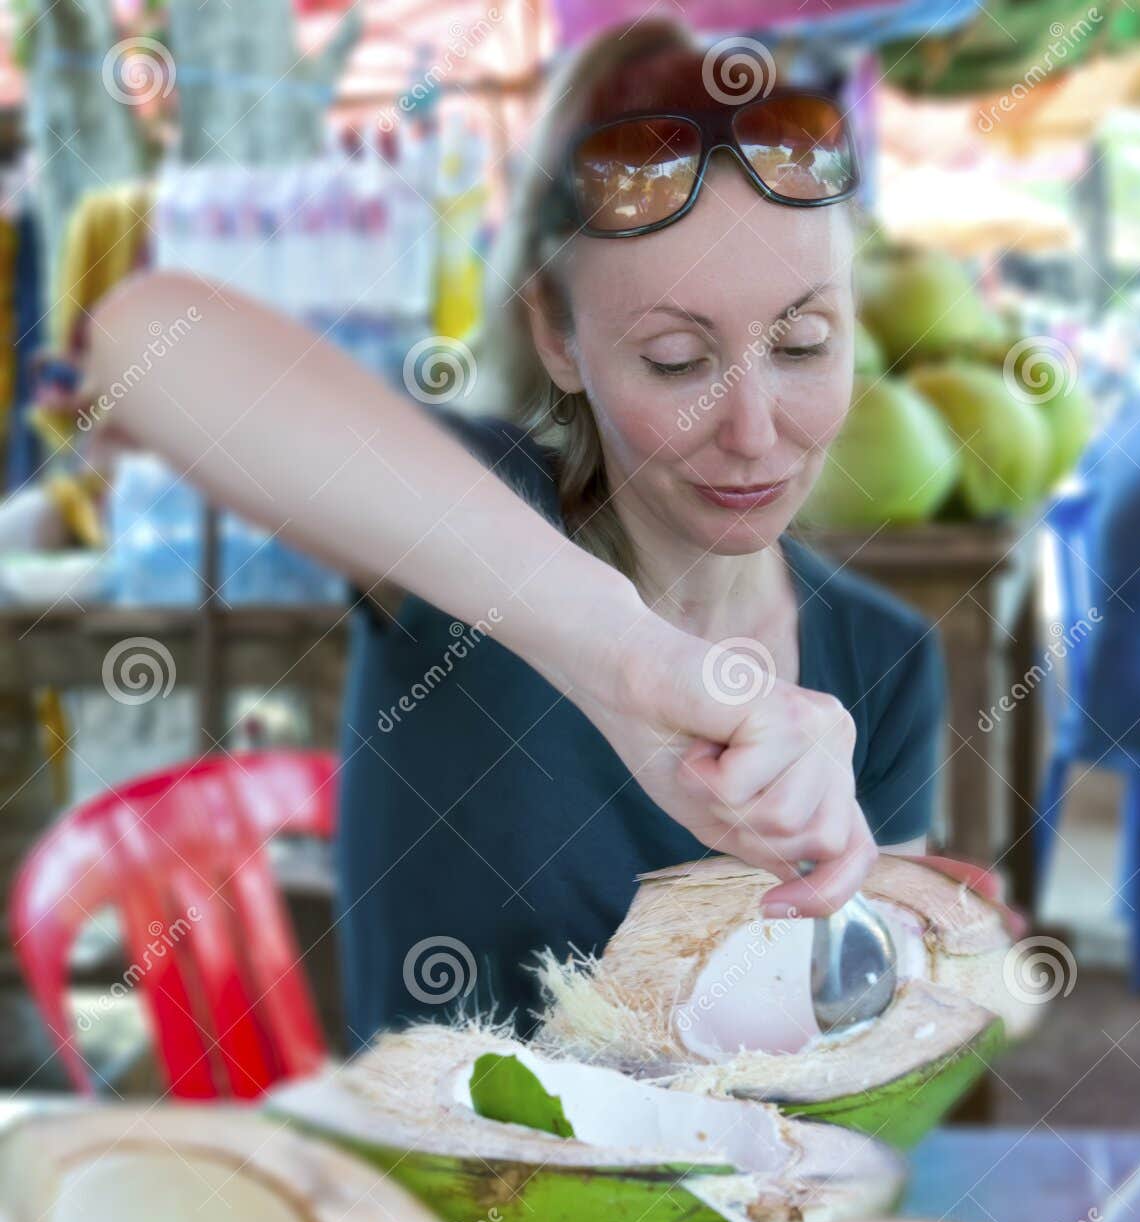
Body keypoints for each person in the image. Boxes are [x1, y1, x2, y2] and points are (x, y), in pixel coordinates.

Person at [88, 22, 946, 1048]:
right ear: (557, 337)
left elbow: (868, 1031)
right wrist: (623, 656)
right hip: (437, 1203)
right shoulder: (472, 526)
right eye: (675, 359)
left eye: (804, 344)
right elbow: (143, 338)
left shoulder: (885, 662)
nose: (754, 431)